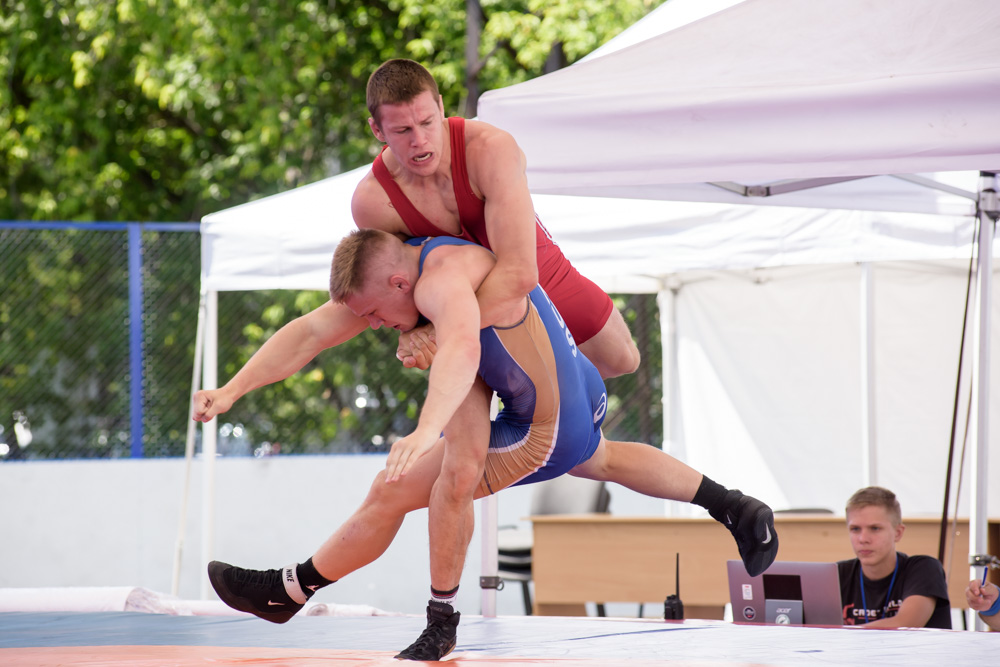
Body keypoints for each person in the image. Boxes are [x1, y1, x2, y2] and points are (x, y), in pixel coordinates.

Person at [206, 229, 779, 661]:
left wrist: (425, 428)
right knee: (600, 457)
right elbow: (310, 332)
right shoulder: (425, 257)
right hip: (578, 387)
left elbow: (461, 352)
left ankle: (412, 615)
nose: (375, 325)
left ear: (400, 283)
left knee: (421, 483)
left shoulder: (439, 286)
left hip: (542, 428)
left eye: (375, 314)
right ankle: (732, 504)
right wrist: (232, 389)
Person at [837, 486, 951, 628]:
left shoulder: (924, 568)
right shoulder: (837, 574)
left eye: (875, 528)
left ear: (898, 533)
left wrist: (841, 633)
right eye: (855, 529)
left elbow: (905, 625)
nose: (863, 539)